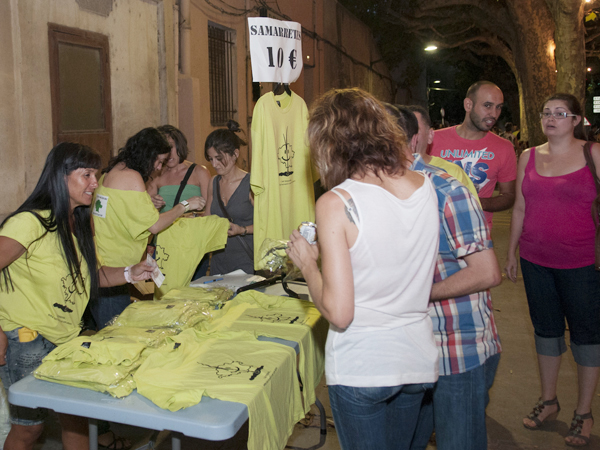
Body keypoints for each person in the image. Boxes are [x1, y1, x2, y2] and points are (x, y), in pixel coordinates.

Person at [286, 88, 440, 450]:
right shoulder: (423, 184)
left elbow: (340, 312)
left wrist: (308, 265)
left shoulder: (336, 202)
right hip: (416, 358)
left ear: (329, 144)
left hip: (364, 365)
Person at [0, 143, 154, 450]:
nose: (95, 183)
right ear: (61, 176)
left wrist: (130, 273)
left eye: (96, 174)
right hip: (26, 338)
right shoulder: (30, 222)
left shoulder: (79, 220)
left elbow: (90, 275)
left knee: (77, 418)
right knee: (29, 429)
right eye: (87, 175)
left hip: (64, 337)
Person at [384, 103, 502, 450]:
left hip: (454, 345)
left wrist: (419, 293)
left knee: (457, 441)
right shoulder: (372, 193)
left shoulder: (447, 191)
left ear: (413, 142)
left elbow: (486, 272)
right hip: (404, 344)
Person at [505, 93, 600, 447]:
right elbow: (519, 208)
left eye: (560, 113)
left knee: (586, 336)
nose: (551, 118)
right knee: (545, 332)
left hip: (583, 264)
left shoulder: (593, 153)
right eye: (547, 112)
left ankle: (584, 412)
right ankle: (549, 401)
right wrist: (511, 252)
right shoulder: (528, 156)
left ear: (576, 120)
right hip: (535, 260)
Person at [91, 128, 205, 328]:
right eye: (158, 161)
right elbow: (155, 225)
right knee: (117, 336)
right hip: (113, 270)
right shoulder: (132, 177)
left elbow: (120, 212)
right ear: (147, 155)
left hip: (104, 266)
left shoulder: (114, 170)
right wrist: (185, 205)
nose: (159, 168)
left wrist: (148, 205)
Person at [429, 81, 517, 229]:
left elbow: (508, 196)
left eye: (498, 107)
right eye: (487, 105)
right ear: (468, 105)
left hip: (477, 234)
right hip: (434, 232)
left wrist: (474, 202)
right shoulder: (433, 140)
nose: (494, 114)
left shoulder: (504, 147)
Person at [203, 120, 254, 275]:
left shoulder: (251, 183)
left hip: (247, 263)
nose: (214, 164)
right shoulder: (213, 182)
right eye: (211, 159)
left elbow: (267, 224)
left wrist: (242, 230)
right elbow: (207, 220)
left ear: (235, 154)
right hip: (218, 265)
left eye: (219, 158)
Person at [400, 104, 479, 200]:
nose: (406, 136)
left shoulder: (453, 173)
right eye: (400, 130)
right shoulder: (386, 174)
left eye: (414, 130)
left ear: (430, 136)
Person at [146, 125, 211, 213]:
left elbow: (210, 209)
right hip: (165, 221)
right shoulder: (156, 175)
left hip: (194, 221)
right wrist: (153, 203)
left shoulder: (200, 172)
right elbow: (148, 213)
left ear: (179, 145)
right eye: (162, 149)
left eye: (170, 147)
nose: (168, 153)